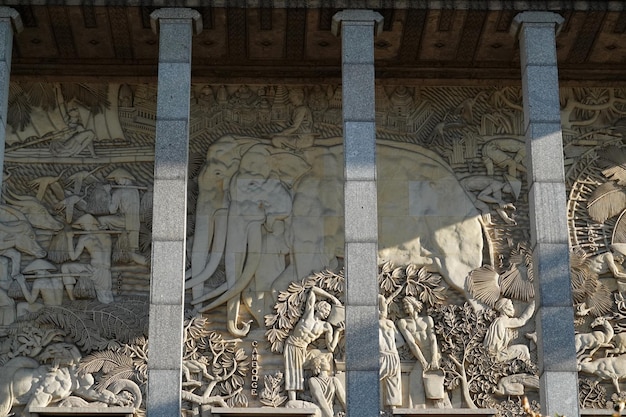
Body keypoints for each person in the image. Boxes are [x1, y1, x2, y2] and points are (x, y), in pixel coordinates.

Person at [284, 286, 343, 402]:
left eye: (329, 312)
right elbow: (313, 290)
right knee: (293, 371)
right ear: (319, 307)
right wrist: (331, 297)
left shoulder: (326, 326)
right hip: (292, 345)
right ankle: (292, 401)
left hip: (304, 349)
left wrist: (337, 332)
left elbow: (331, 348)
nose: (327, 313)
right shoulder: (308, 315)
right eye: (326, 310)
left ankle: (322, 388)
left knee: (328, 356)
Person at [397, 296, 450, 408]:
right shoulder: (403, 323)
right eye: (404, 305)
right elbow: (412, 344)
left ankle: (439, 406)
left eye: (407, 304)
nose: (405, 307)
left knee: (435, 379)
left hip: (433, 352)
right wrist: (423, 361)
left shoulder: (427, 319)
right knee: (415, 379)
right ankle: (419, 408)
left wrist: (434, 358)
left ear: (414, 305)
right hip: (420, 354)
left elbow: (432, 340)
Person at [62, 214, 114, 304]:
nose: (82, 227)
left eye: (83, 225)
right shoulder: (107, 235)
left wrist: (69, 239)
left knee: (105, 299)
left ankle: (72, 301)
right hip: (104, 271)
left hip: (96, 271)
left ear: (89, 223)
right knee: (106, 297)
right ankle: (72, 301)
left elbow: (73, 257)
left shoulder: (85, 238)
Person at [484, 298, 535, 362]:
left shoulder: (498, 321)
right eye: (510, 306)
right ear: (504, 308)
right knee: (523, 349)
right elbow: (522, 321)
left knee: (522, 349)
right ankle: (529, 367)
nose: (513, 309)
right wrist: (533, 305)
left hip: (495, 354)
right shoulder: (503, 320)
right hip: (497, 356)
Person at [379, 285, 404, 409]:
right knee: (393, 383)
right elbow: (401, 341)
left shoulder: (374, 324)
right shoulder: (390, 323)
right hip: (394, 356)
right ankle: (392, 410)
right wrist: (392, 348)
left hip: (382, 356)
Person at [307, 352, 346, 417]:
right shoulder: (313, 380)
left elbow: (343, 399)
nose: (328, 362)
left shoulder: (334, 380)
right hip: (319, 411)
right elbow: (320, 399)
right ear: (318, 365)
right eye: (324, 361)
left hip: (331, 411)